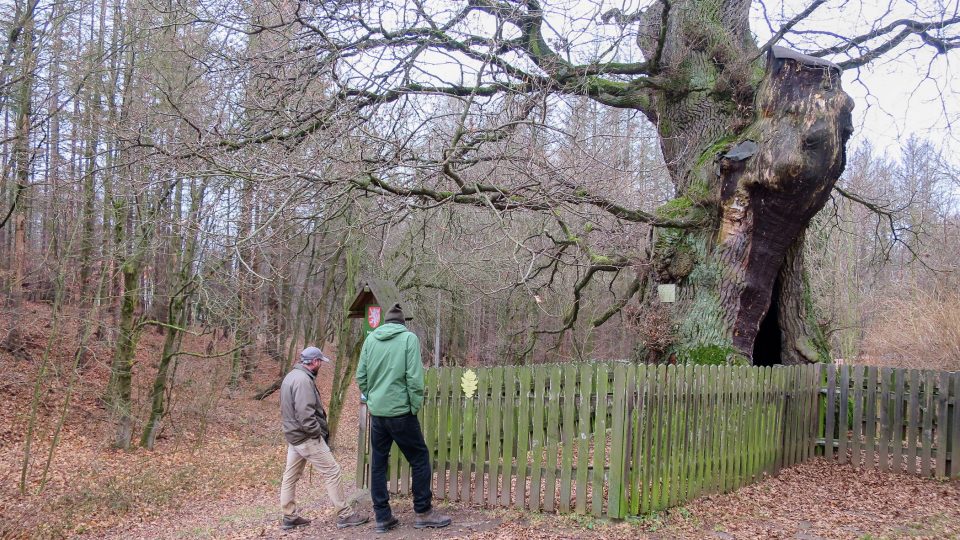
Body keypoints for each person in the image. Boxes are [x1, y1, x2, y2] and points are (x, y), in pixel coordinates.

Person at [356, 303, 452, 533]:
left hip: (378, 414)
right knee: (419, 458)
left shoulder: (370, 340)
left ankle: (382, 517)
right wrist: (413, 406)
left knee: (378, 464)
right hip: (401, 412)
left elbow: (361, 375)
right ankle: (423, 511)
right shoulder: (408, 339)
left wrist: (373, 398)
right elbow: (415, 379)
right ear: (402, 323)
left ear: (386, 322)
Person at [278, 346, 369, 530]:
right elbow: (305, 414)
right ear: (314, 362)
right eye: (320, 361)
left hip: (294, 436)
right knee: (333, 471)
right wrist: (316, 434)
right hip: (306, 437)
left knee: (290, 476)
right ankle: (344, 514)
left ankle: (289, 516)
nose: (321, 365)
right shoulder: (303, 381)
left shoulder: (291, 377)